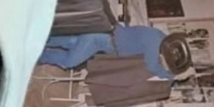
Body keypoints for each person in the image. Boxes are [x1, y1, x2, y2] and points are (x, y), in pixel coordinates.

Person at [39, 23, 176, 79]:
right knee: (69, 61)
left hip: (105, 36)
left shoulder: (159, 35)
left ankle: (37, 40)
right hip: (102, 40)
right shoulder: (155, 43)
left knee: (71, 42)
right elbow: (152, 66)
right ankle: (38, 56)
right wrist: (171, 76)